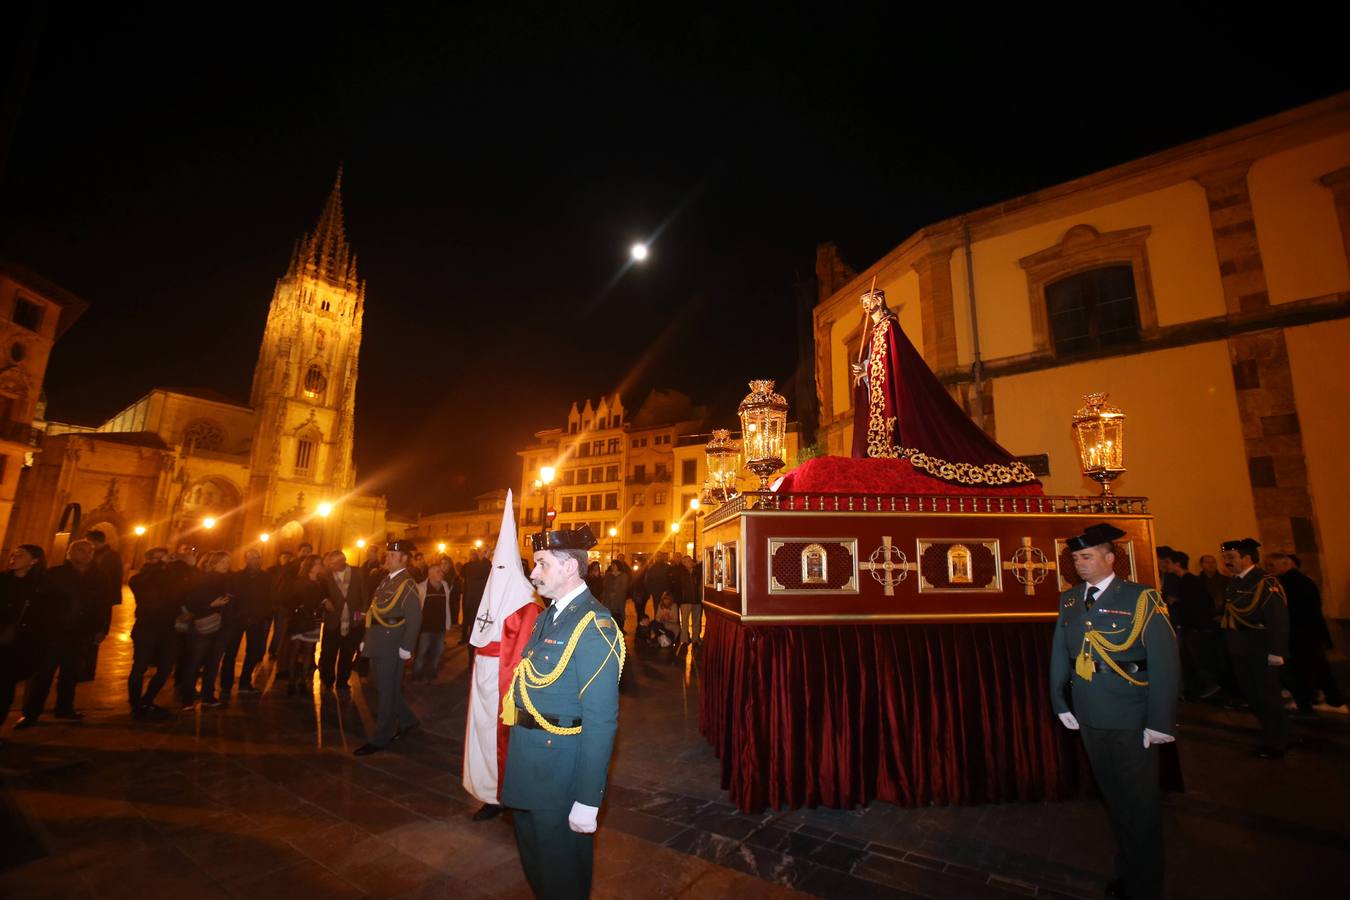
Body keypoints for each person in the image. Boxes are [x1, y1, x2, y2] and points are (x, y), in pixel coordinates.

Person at [1049, 524, 1179, 900]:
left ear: (1110, 558)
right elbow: (1062, 653)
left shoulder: (1142, 598)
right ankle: (1129, 870)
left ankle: (1146, 884)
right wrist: (1060, 702)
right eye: (1075, 558)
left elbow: (1165, 663)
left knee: (1139, 804)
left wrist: (1159, 722)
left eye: (1087, 557)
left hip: (1130, 714)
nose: (1080, 564)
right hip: (1089, 713)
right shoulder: (1071, 599)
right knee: (1115, 799)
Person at [502, 524, 623, 900]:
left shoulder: (594, 625)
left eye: (542, 564)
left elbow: (602, 721)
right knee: (537, 862)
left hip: (559, 769)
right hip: (529, 759)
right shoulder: (549, 616)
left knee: (561, 874)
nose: (533, 573)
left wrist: (589, 800)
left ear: (570, 567)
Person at [848, 287, 1038, 487]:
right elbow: (877, 364)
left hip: (890, 405)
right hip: (879, 401)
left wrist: (870, 369)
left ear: (879, 301)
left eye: (869, 301)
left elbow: (891, 364)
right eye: (863, 304)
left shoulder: (889, 327)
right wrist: (864, 371)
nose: (866, 306)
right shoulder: (874, 333)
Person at [464, 489, 543, 822]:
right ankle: (486, 789)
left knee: (503, 738)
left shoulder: (526, 601)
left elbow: (524, 652)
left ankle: (504, 793)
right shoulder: (492, 589)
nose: (496, 570)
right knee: (481, 735)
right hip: (483, 680)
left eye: (501, 565)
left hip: (505, 683)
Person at [17, 540, 110, 728]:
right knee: (43, 674)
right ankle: (31, 712)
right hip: (53, 632)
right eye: (81, 550)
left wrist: (102, 629)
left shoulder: (99, 577)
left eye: (90, 551)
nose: (86, 554)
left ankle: (65, 708)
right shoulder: (55, 574)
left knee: (71, 673)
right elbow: (40, 603)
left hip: (81, 632)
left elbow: (104, 605)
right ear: (70, 553)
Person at [1220, 538, 1289, 758]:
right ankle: (1279, 733)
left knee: (1267, 697)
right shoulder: (1236, 582)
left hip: (1260, 648)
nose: (1227, 562)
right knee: (1253, 695)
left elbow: (1278, 619)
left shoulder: (1265, 582)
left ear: (1247, 557)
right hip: (1241, 648)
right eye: (1226, 558)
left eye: (1231, 558)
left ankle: (1276, 743)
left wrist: (1277, 652)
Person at [354, 540, 422, 755]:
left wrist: (407, 647)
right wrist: (367, 637)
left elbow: (415, 618)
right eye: (388, 555)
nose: (387, 558)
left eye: (392, 556)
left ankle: (381, 737)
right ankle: (407, 719)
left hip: (392, 643)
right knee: (384, 686)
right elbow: (374, 611)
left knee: (385, 690)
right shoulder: (386, 581)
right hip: (378, 639)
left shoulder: (407, 583)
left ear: (403, 559)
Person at [1268, 552, 1346, 717]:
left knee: (1304, 669)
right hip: (1308, 632)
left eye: (1271, 565)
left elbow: (1292, 610)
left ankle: (1307, 704)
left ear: (1284, 564)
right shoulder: (1300, 581)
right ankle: (1332, 700)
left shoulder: (1290, 583)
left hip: (1300, 634)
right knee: (1318, 668)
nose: (1268, 569)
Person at [1160, 550, 1220, 700]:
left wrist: (1177, 602)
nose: (1167, 566)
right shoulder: (1186, 580)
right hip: (1191, 626)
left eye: (1170, 563)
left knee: (1197, 659)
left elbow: (1196, 604)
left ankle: (1209, 685)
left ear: (1177, 564)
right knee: (1190, 658)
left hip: (1195, 627)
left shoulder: (1189, 580)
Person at [126, 546, 177, 719]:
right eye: (157, 559)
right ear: (148, 560)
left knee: (166, 668)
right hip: (146, 628)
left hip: (167, 629)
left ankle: (147, 700)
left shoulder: (169, 577)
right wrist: (159, 567)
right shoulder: (138, 579)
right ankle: (135, 705)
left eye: (164, 559)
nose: (162, 563)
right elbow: (147, 586)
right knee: (139, 667)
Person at [180, 551, 235, 709]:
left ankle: (208, 694)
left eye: (228, 562)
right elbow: (191, 602)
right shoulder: (202, 579)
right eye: (223, 562)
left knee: (213, 662)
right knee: (195, 661)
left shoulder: (229, 580)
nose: (226, 565)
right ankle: (187, 696)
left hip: (223, 626)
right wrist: (211, 605)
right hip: (203, 624)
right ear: (213, 563)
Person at [1, 545, 46, 725]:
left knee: (4, 686)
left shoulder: (41, 586)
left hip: (17, 644)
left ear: (34, 561)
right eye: (14, 554)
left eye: (20, 555)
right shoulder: (3, 580)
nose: (14, 557)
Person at [222, 549, 272, 695]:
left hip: (256, 619)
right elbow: (232, 597)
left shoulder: (266, 577)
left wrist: (264, 615)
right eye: (251, 558)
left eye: (257, 558)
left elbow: (269, 598)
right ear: (246, 560)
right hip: (237, 619)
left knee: (252, 652)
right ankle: (226, 684)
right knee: (230, 652)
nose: (255, 561)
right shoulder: (237, 577)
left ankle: (245, 682)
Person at [318, 549, 370, 691]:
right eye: (329, 563)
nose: (330, 566)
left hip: (353, 621)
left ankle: (342, 682)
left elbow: (364, 597)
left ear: (342, 562)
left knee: (347, 653)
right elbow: (319, 592)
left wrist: (361, 618)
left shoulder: (357, 573)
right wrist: (324, 601)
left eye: (333, 563)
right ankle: (327, 680)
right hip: (333, 619)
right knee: (329, 653)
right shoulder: (326, 575)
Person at [285, 555, 326, 695]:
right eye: (318, 563)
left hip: (313, 618)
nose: (320, 566)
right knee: (295, 650)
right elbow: (292, 599)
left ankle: (302, 681)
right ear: (311, 566)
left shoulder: (319, 582)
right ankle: (291, 682)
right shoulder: (300, 581)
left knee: (309, 650)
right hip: (300, 618)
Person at [413, 563, 451, 683]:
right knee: (421, 653)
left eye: (441, 571)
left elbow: (447, 606)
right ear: (430, 574)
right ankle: (416, 674)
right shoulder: (421, 588)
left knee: (437, 653)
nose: (442, 573)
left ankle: (432, 672)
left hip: (440, 627)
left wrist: (448, 623)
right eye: (438, 571)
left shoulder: (445, 586)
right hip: (426, 628)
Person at [266, 550, 295, 661]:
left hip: (282, 604)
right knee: (265, 629)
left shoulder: (291, 571)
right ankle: (260, 651)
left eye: (288, 557)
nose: (286, 559)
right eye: (284, 557)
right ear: (279, 558)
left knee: (279, 630)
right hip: (270, 603)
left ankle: (273, 651)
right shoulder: (272, 570)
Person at [600, 560, 630, 631]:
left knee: (619, 613)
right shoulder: (608, 575)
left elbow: (623, 587)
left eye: (614, 565)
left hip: (619, 599)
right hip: (608, 599)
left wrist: (616, 593)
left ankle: (620, 628)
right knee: (609, 613)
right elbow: (605, 586)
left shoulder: (623, 576)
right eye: (612, 565)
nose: (613, 567)